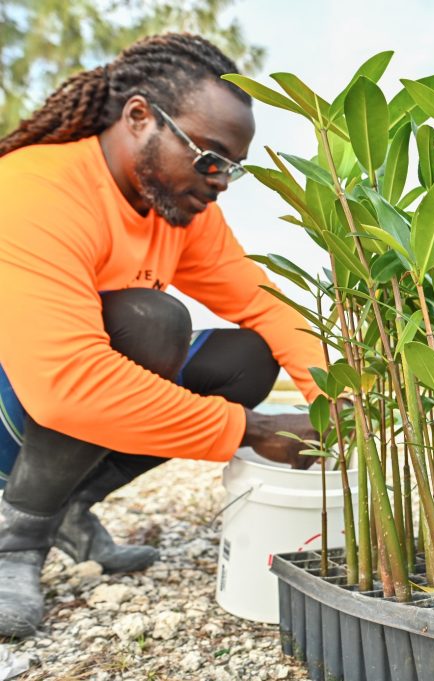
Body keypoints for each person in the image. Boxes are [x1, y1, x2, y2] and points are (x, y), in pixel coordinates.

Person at [0, 33, 325, 638]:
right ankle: (15, 537)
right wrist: (252, 431)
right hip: (17, 403)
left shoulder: (181, 211)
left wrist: (336, 396)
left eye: (232, 168)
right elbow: (64, 386)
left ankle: (69, 508)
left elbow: (264, 303)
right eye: (210, 158)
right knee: (152, 321)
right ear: (140, 116)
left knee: (247, 361)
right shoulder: (34, 188)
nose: (220, 181)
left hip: (56, 407)